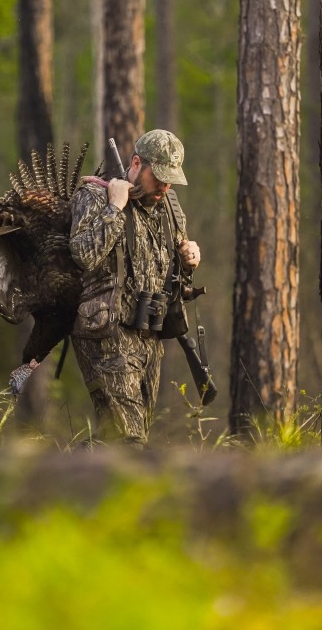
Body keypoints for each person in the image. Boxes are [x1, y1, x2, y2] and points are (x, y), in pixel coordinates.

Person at [68, 129, 202, 443]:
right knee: (130, 441)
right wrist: (115, 208)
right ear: (137, 163)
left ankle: (69, 479)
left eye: (170, 180)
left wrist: (189, 261)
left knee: (125, 436)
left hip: (150, 334)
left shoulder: (169, 204)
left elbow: (174, 276)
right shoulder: (95, 196)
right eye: (158, 178)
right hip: (105, 333)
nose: (165, 186)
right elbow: (83, 256)